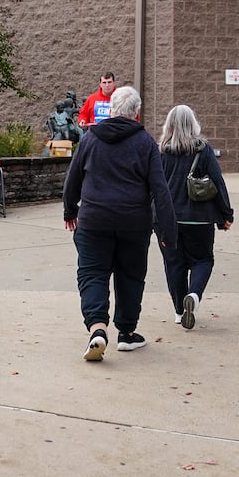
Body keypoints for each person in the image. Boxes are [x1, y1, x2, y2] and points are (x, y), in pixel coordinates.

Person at [62, 85, 178, 360]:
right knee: (131, 276)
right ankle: (126, 333)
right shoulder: (145, 142)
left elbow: (73, 178)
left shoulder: (90, 139)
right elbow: (160, 189)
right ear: (136, 113)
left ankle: (97, 328)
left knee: (92, 274)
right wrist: (168, 231)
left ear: (111, 110)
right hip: (133, 222)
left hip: (94, 220)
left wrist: (70, 210)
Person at [157, 105, 234, 330]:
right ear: (193, 124)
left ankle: (180, 311)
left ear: (168, 125)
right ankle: (194, 295)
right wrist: (225, 215)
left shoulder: (159, 151)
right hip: (199, 217)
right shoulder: (203, 150)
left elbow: (150, 186)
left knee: (174, 264)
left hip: (167, 219)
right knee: (203, 260)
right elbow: (218, 182)